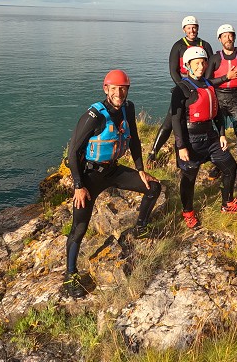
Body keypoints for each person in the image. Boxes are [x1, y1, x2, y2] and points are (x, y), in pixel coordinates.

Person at [62, 69, 162, 298]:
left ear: (127, 89)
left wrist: (140, 170)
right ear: (105, 89)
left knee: (153, 187)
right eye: (114, 88)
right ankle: (70, 275)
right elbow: (73, 152)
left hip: (113, 170)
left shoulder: (128, 108)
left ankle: (140, 228)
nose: (119, 93)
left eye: (123, 88)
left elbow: (134, 138)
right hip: (90, 176)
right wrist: (78, 185)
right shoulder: (94, 116)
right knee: (79, 228)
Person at [171, 46, 237, 229]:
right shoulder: (181, 89)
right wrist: (181, 146)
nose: (201, 66)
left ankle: (227, 203)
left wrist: (221, 134)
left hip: (211, 137)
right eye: (196, 63)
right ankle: (188, 211)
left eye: (203, 62)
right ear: (188, 65)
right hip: (191, 139)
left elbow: (218, 114)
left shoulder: (208, 84)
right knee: (189, 178)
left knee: (230, 166)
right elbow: (175, 120)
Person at [147, 15, 215, 163]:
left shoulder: (206, 45)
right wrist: (183, 87)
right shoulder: (178, 46)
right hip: (184, 86)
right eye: (189, 28)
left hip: (201, 87)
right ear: (184, 29)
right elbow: (173, 70)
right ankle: (154, 151)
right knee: (170, 120)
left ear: (198, 28)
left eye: (194, 27)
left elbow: (211, 66)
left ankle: (206, 149)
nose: (192, 30)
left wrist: (204, 83)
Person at [205, 24, 237, 180]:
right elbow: (206, 82)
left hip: (236, 99)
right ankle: (218, 165)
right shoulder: (214, 58)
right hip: (218, 99)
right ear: (220, 39)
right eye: (224, 36)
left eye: (230, 35)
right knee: (217, 135)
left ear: (234, 37)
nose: (228, 38)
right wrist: (226, 77)